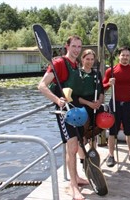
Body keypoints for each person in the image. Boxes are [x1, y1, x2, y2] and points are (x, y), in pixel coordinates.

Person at [38, 35, 88, 200]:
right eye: (74, 46)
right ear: (67, 46)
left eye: (79, 47)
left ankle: (76, 178)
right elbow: (42, 86)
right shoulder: (59, 63)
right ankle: (73, 186)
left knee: (78, 145)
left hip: (76, 111)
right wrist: (57, 100)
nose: (76, 50)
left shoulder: (75, 65)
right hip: (64, 113)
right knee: (72, 147)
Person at [102, 46, 130, 167]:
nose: (125, 57)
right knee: (112, 132)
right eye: (122, 55)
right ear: (118, 56)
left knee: (129, 131)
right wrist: (108, 83)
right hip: (114, 104)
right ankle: (111, 155)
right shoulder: (111, 70)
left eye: (127, 55)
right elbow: (102, 87)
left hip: (129, 105)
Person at [78, 49, 104, 149]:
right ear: (82, 59)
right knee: (83, 132)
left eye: (92, 59)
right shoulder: (78, 74)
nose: (90, 61)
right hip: (83, 106)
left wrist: (99, 102)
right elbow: (76, 96)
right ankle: (83, 158)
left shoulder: (97, 74)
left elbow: (101, 91)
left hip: (95, 106)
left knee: (96, 131)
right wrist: (89, 104)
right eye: (87, 59)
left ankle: (93, 152)